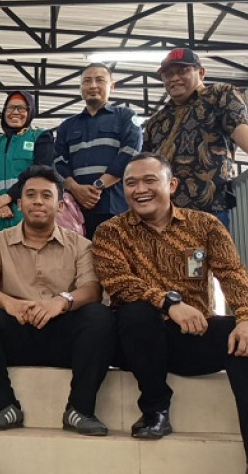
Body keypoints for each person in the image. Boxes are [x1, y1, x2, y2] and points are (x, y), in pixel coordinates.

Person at [92, 153, 248, 466]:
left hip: (193, 335)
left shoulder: (205, 224)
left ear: (172, 185)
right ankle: (155, 410)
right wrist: (169, 303)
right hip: (136, 344)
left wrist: (245, 317)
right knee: (135, 311)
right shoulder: (110, 231)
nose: (140, 189)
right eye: (131, 183)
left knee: (242, 338)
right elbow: (118, 282)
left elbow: (231, 273)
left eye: (150, 180)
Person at [0, 165, 114, 436]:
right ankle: (3, 406)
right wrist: (9, 303)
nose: (38, 202)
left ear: (60, 205)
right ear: (20, 204)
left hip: (62, 337)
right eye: (30, 195)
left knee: (99, 316)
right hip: (15, 334)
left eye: (46, 196)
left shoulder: (81, 245)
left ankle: (80, 410)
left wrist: (61, 302)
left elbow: (91, 289)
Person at [144, 47, 248, 229]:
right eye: (168, 74)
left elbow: (240, 129)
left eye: (182, 71)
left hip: (209, 211)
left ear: (201, 72)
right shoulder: (156, 121)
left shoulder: (219, 95)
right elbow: (145, 167)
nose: (174, 78)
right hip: (163, 216)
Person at [54, 63, 143, 240]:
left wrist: (98, 186)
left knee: (115, 253)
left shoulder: (125, 116)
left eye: (100, 80)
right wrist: (75, 189)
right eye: (87, 81)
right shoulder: (66, 126)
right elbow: (58, 161)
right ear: (80, 88)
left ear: (112, 86)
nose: (93, 85)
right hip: (75, 212)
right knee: (78, 255)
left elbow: (131, 152)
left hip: (115, 206)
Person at [0, 90, 54, 235]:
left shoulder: (40, 137)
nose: (15, 112)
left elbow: (41, 171)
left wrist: (9, 197)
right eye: (10, 108)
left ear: (30, 112)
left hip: (28, 212)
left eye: (21, 108)